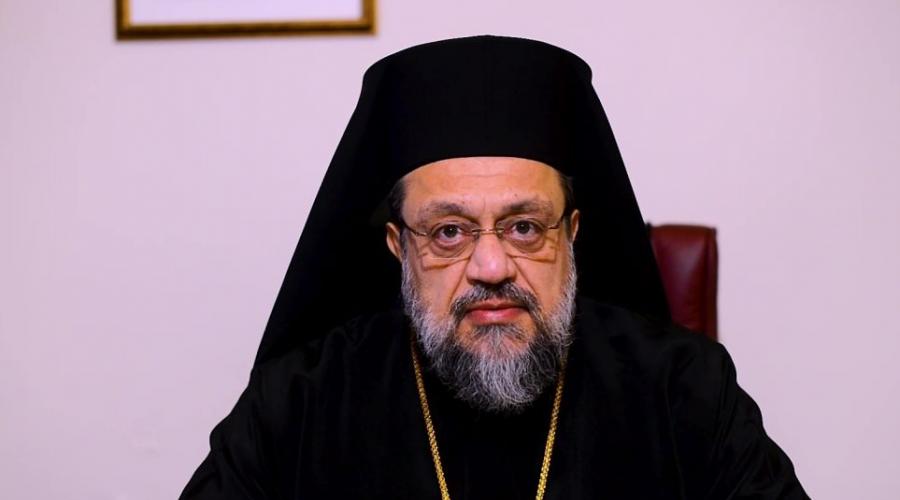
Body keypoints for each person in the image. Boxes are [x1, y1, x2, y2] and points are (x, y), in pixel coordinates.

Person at [180, 36, 808, 499]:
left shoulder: (684, 388)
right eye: (449, 232)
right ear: (399, 246)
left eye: (524, 227)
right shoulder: (300, 399)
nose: (490, 265)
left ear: (572, 234)